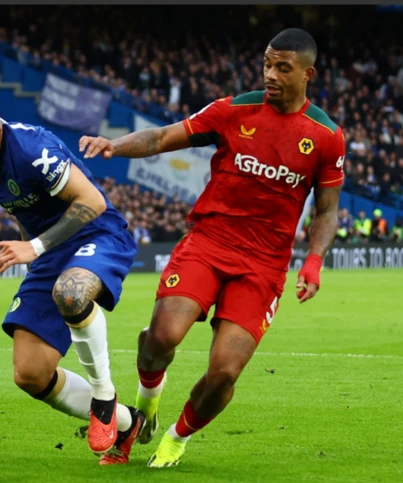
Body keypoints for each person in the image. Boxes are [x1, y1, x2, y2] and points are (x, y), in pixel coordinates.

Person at [79, 28, 345, 468]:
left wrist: (314, 261)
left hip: (263, 265)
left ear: (307, 73)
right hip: (209, 242)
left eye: (283, 67)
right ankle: (144, 409)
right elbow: (165, 137)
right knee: (160, 338)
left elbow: (327, 211)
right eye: (266, 63)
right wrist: (115, 146)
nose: (270, 74)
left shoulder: (326, 136)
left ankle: (176, 437)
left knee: (223, 372)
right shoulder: (232, 110)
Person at [0, 84, 143, 465]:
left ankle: (104, 394)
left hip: (97, 233)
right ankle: (125, 422)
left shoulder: (33, 148)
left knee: (71, 293)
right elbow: (22, 210)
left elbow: (93, 202)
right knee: (30, 374)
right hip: (50, 250)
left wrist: (33, 248)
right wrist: (33, 254)